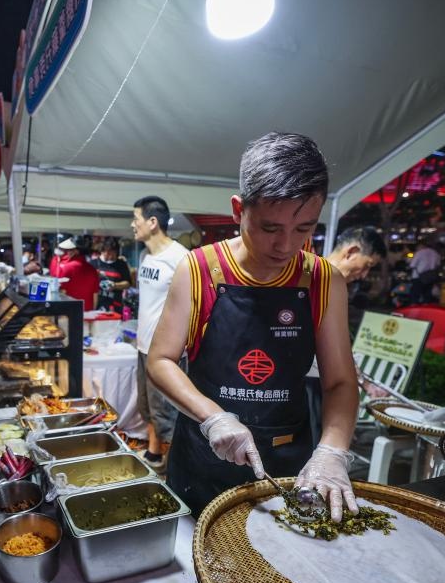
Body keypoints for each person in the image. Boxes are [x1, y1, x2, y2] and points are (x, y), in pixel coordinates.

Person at [147, 132, 360, 522]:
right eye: (270, 228)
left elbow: (340, 383)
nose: (286, 246)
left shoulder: (323, 280)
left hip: (288, 461)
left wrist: (332, 451)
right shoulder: (199, 269)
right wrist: (213, 417)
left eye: (303, 228)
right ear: (238, 209)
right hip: (204, 459)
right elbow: (160, 361)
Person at [306, 226, 388, 444]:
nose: (364, 275)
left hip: (321, 384)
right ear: (351, 252)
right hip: (305, 386)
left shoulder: (335, 286)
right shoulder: (313, 279)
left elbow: (340, 348)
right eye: (367, 265)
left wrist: (365, 383)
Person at [132, 196, 189, 472]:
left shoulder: (181, 258)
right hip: (143, 346)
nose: (133, 225)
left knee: (167, 414)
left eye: (136, 219)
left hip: (167, 353)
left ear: (153, 222)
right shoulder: (145, 256)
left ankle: (176, 470)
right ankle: (154, 454)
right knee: (148, 408)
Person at [51, 236, 99, 310]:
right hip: (88, 313)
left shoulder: (66, 268)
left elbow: (61, 293)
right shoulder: (93, 270)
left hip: (69, 312)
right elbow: (95, 296)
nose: (67, 252)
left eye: (70, 249)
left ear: (76, 251)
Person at [93, 237, 132, 311]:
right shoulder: (93, 263)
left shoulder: (121, 264)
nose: (111, 255)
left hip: (115, 305)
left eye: (113, 253)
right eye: (108, 252)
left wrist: (115, 285)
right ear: (102, 251)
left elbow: (128, 283)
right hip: (97, 305)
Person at [409, 237, 441, 304]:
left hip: (418, 277)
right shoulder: (435, 253)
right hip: (431, 277)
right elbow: (438, 265)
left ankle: (414, 307)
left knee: (415, 294)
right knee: (427, 295)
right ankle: (425, 307)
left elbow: (412, 265)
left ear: (421, 245)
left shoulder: (419, 253)